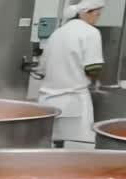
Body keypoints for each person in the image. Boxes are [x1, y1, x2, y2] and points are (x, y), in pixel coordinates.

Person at [38, 0, 106, 148]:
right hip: (74, 104)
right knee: (77, 150)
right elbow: (93, 68)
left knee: (48, 148)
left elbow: (42, 68)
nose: (97, 18)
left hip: (47, 103)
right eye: (97, 14)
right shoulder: (91, 33)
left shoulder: (57, 33)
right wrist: (96, 82)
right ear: (86, 12)